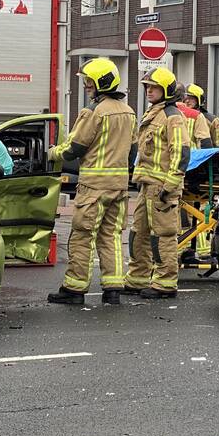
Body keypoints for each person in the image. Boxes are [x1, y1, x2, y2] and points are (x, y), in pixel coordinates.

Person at [46, 58, 137, 306]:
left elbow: (74, 148)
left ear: (101, 83)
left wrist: (51, 153)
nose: (87, 86)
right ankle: (113, 289)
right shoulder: (129, 112)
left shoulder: (94, 112)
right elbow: (132, 150)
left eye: (89, 81)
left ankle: (74, 289)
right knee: (111, 237)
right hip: (119, 186)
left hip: (93, 187)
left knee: (82, 236)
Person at [124, 67, 189, 299]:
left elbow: (180, 154)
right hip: (147, 185)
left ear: (166, 91)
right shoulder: (153, 113)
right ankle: (138, 277)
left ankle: (165, 283)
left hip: (162, 188)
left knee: (162, 235)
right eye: (147, 87)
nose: (149, 91)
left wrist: (169, 187)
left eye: (154, 87)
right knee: (138, 233)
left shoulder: (172, 117)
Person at [175, 83, 212, 150]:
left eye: (191, 98)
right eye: (186, 98)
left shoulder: (211, 119)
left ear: (199, 100)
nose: (187, 101)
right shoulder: (197, 115)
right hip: (192, 158)